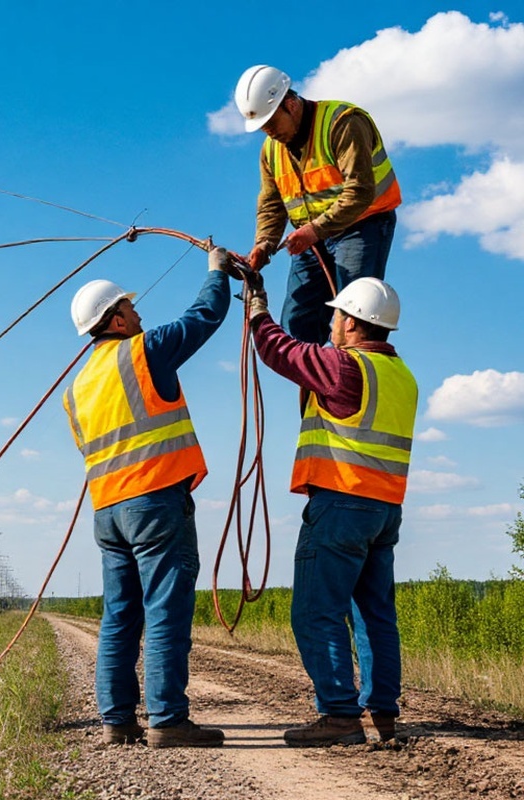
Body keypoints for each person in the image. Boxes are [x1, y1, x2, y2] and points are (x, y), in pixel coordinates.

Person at [61, 247, 239, 748]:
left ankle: (117, 721)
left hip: (108, 512)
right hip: (155, 500)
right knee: (165, 609)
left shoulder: (75, 389)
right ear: (115, 320)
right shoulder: (141, 351)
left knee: (120, 616)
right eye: (131, 308)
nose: (140, 314)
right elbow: (204, 317)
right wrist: (217, 271)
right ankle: (167, 720)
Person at [244, 274, 417, 746]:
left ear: (355, 323)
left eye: (337, 314)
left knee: (316, 612)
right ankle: (381, 712)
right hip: (383, 510)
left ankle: (340, 715)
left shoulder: (344, 367)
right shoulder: (402, 376)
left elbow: (280, 351)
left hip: (341, 502)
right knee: (374, 614)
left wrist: (257, 308)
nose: (332, 321)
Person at [235, 64, 401, 345]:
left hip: (362, 225)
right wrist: (263, 243)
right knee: (296, 322)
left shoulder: (343, 123)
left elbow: (360, 191)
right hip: (311, 239)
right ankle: (314, 385)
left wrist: (313, 230)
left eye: (272, 124)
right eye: (263, 128)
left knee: (353, 317)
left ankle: (351, 379)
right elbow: (271, 204)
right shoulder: (271, 150)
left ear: (291, 105)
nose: (269, 133)